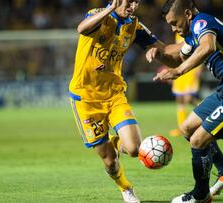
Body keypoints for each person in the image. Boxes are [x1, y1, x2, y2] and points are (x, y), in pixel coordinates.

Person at [145, 0, 223, 202]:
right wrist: (159, 54)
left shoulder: (202, 22)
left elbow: (207, 47)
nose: (174, 28)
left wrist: (178, 72)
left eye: (175, 23)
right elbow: (178, 57)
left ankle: (201, 195)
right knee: (187, 128)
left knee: (198, 141)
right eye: (170, 25)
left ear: (188, 14)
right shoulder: (193, 34)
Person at [68, 1, 174, 202]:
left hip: (114, 94)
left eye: (137, 1)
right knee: (109, 160)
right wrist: (109, 9)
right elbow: (81, 29)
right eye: (129, 0)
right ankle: (126, 188)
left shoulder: (134, 25)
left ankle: (119, 143)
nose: (133, 5)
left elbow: (164, 49)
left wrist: (167, 51)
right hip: (86, 99)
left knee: (135, 149)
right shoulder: (98, 15)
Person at [169, 32, 203, 137]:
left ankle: (206, 113)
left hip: (191, 68)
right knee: (179, 99)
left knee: (188, 99)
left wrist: (199, 68)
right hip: (180, 68)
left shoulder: (192, 32)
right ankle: (181, 128)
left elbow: (200, 50)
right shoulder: (178, 34)